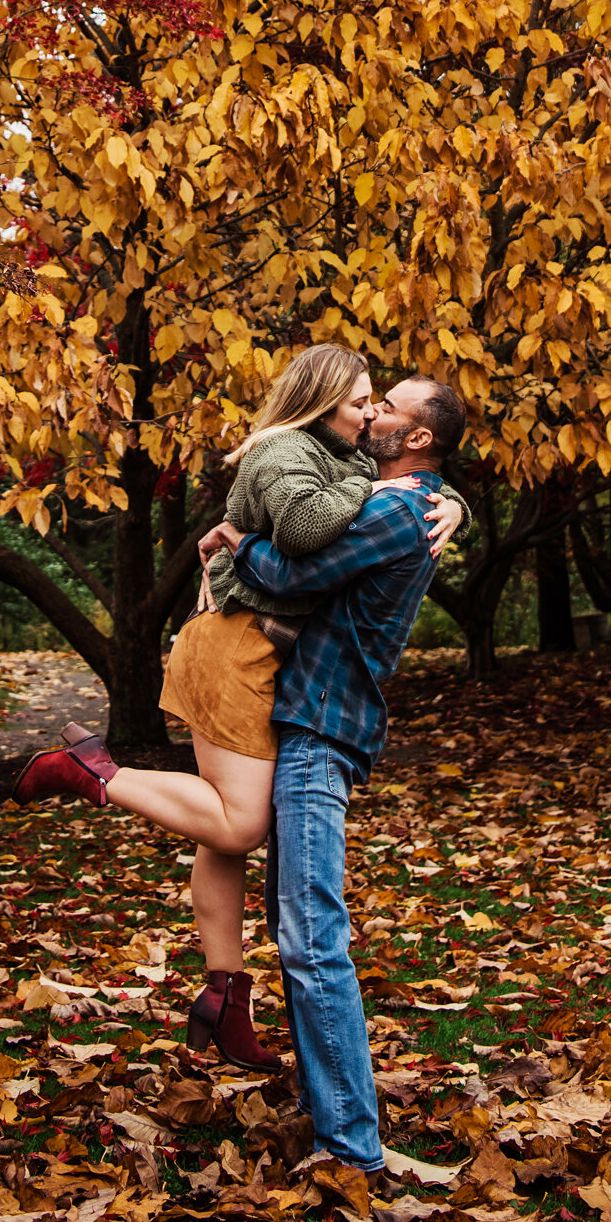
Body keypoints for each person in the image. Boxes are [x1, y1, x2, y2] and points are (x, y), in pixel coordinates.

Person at [10, 348, 468, 1071]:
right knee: (241, 821)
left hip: (248, 649)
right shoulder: (293, 453)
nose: (370, 410)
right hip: (235, 648)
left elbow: (386, 499)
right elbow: (305, 538)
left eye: (381, 404)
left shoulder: (339, 456)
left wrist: (445, 499)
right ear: (322, 401)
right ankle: (93, 770)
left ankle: (224, 998)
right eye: (361, 400)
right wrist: (393, 497)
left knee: (222, 836)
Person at [212, 373, 468, 1178]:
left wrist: (234, 540)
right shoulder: (404, 498)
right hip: (311, 723)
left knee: (312, 940)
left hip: (322, 727)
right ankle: (325, 1111)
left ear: (417, 437)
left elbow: (291, 576)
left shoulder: (395, 508)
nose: (370, 412)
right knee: (300, 935)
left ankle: (350, 1149)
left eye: (386, 406)